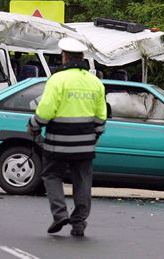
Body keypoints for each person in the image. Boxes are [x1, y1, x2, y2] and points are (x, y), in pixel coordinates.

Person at [27, 37, 107, 237]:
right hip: (85, 144)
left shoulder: (57, 80)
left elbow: (46, 110)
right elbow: (101, 115)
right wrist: (96, 134)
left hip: (58, 143)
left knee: (51, 175)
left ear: (65, 57)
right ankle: (78, 223)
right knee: (82, 182)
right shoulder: (95, 82)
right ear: (81, 58)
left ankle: (60, 213)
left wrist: (33, 126)